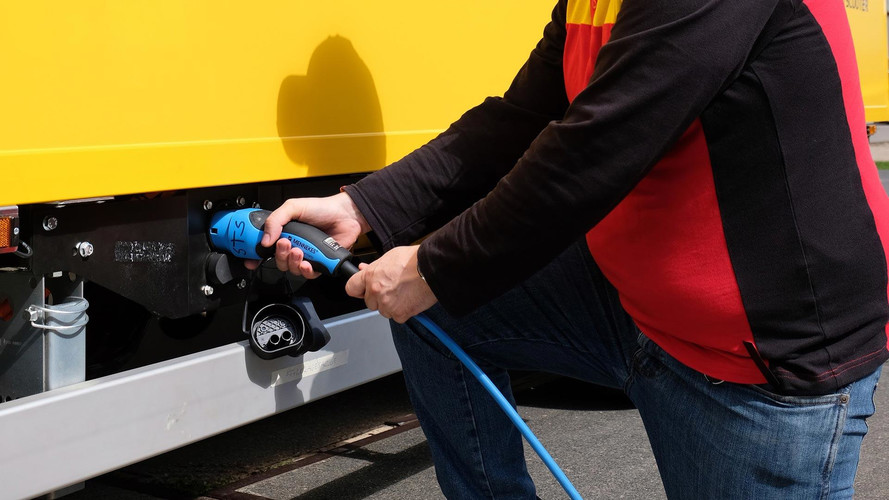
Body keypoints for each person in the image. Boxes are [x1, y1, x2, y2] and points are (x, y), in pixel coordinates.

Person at [255, 0, 888, 497]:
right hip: (638, 299)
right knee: (439, 313)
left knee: (436, 291)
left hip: (759, 346)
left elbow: (597, 147)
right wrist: (364, 208)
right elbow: (522, 117)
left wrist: (431, 267)